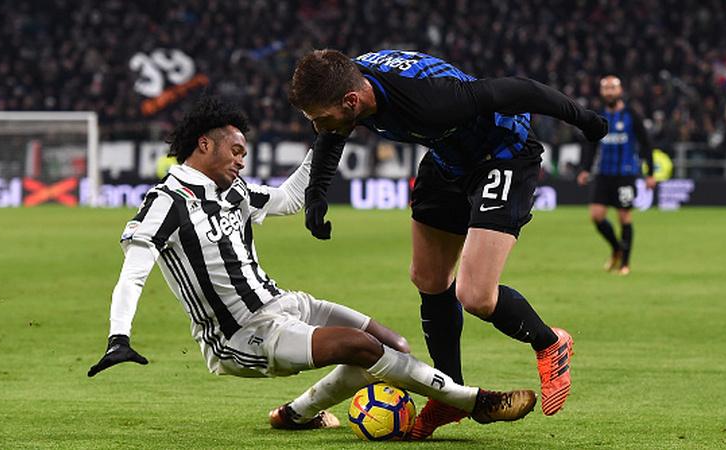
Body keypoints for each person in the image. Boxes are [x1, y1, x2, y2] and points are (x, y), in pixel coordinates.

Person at [86, 97, 538, 433]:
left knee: (391, 344)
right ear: (204, 145)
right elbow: (135, 268)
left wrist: (329, 134)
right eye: (237, 151)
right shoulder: (167, 202)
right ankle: (472, 400)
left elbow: (290, 196)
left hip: (284, 304)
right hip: (241, 335)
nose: (243, 161)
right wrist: (119, 335)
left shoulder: (234, 192)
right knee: (360, 348)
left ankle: (294, 415)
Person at [288, 49, 608, 438]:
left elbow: (519, 90)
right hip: (447, 159)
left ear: (351, 101)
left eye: (321, 117)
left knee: (475, 295)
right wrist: (317, 193)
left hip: (502, 155)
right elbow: (332, 133)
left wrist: (585, 120)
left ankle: (550, 342)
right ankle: (450, 394)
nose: (320, 127)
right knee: (428, 277)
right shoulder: (346, 81)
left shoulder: (431, 100)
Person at [577, 76, 656, 275]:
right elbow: (591, 144)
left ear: (620, 90)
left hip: (625, 175)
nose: (609, 92)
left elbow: (645, 143)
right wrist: (586, 169)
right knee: (596, 216)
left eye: (613, 88)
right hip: (603, 174)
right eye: (605, 88)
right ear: (601, 92)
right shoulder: (599, 115)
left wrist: (650, 173)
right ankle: (616, 248)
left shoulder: (631, 115)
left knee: (624, 216)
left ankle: (625, 264)